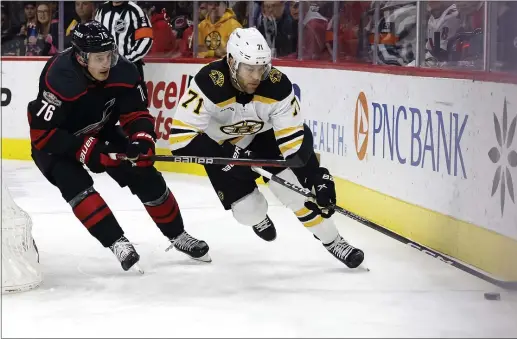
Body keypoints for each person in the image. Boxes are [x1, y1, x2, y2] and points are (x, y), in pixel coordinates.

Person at [169, 27, 364, 269]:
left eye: (261, 68)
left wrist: (316, 176)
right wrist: (227, 158)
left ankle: (334, 241)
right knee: (248, 211)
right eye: (249, 69)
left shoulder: (277, 85)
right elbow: (179, 139)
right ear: (231, 61)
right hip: (219, 148)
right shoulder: (209, 83)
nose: (256, 77)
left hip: (263, 139)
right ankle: (258, 218)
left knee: (296, 193)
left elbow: (295, 141)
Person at [27, 21, 210, 273]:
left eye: (109, 55)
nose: (107, 63)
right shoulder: (59, 76)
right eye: (99, 58)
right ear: (81, 58)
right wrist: (89, 150)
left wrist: (142, 139)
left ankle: (178, 235)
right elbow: (41, 134)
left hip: (102, 131)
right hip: (57, 142)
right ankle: (117, 242)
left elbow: (136, 114)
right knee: (76, 187)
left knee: (144, 172)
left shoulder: (123, 70)